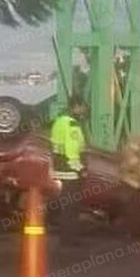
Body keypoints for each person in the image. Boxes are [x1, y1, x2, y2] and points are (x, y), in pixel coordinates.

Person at [50, 95, 88, 245]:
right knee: (72, 208)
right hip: (71, 172)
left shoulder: (59, 122)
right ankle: (70, 239)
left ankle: (66, 238)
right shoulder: (72, 125)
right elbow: (72, 151)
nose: (84, 110)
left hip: (60, 170)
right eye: (83, 107)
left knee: (66, 207)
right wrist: (80, 169)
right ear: (76, 107)